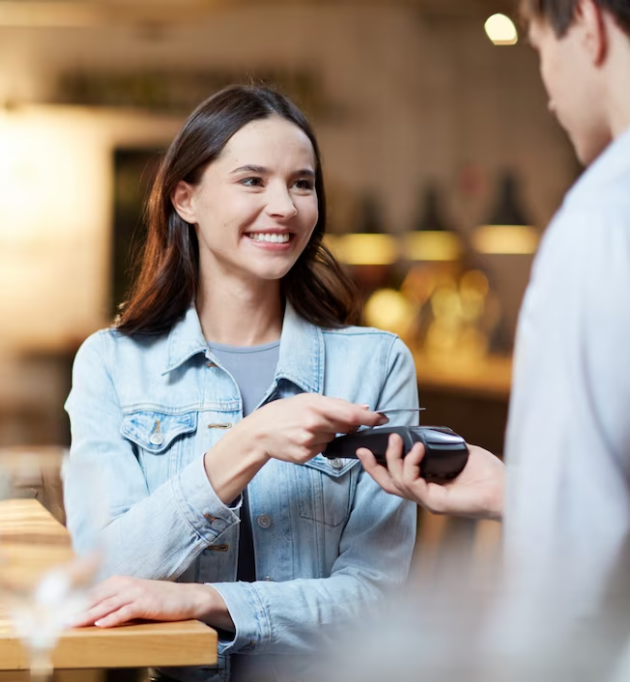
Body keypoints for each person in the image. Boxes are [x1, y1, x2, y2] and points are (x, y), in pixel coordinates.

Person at [63, 85, 419, 682]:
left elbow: (375, 601)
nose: (284, 205)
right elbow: (101, 574)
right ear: (186, 198)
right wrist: (247, 443)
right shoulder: (111, 363)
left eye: (301, 183)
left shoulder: (376, 365)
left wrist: (210, 603)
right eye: (253, 181)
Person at [357, 0, 630, 636]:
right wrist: (516, 494)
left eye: (539, 51)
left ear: (586, 26)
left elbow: (568, 568)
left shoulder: (600, 225)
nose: (548, 91)